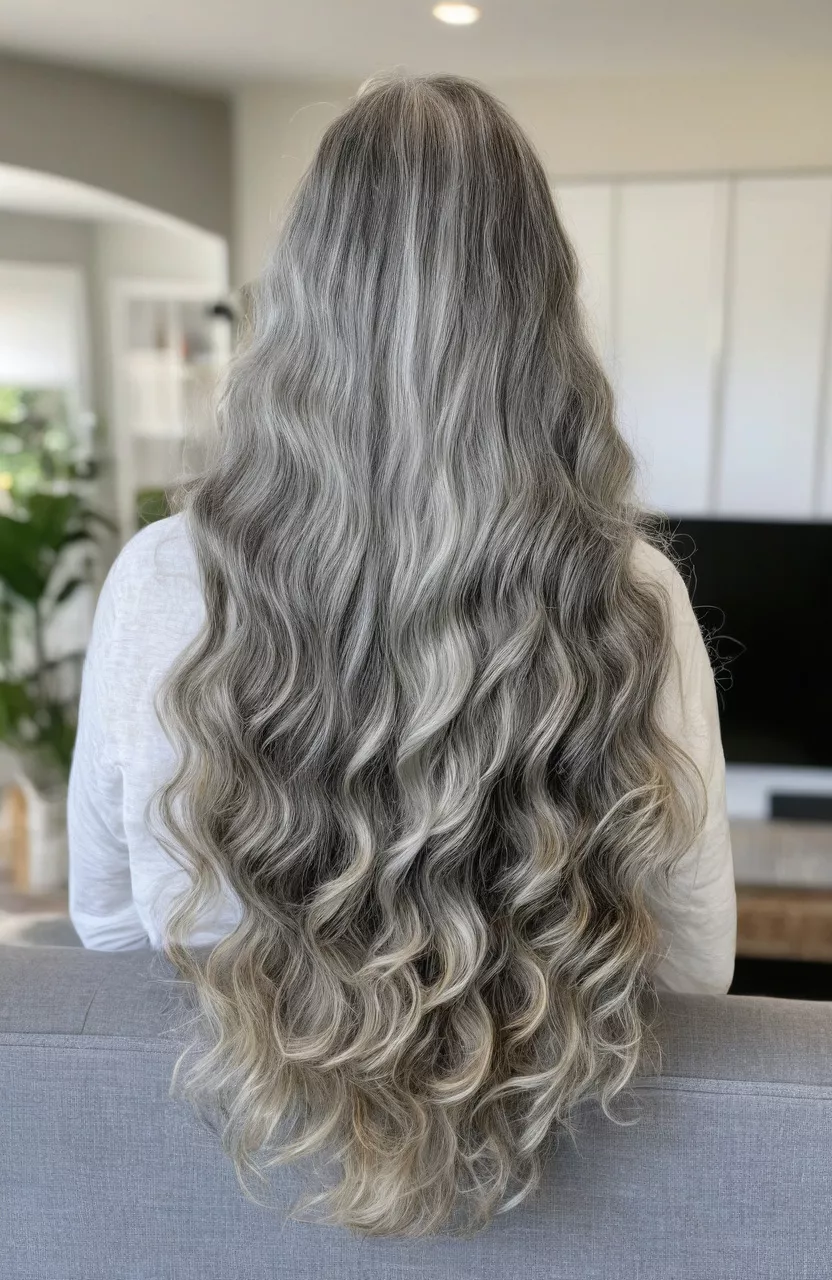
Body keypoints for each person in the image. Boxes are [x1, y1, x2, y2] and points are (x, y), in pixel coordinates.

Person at [68, 73, 736, 1237]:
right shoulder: (633, 596)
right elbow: (695, 966)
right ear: (541, 314)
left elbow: (111, 932)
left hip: (236, 1187)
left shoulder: (159, 581)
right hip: (556, 1191)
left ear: (302, 296)